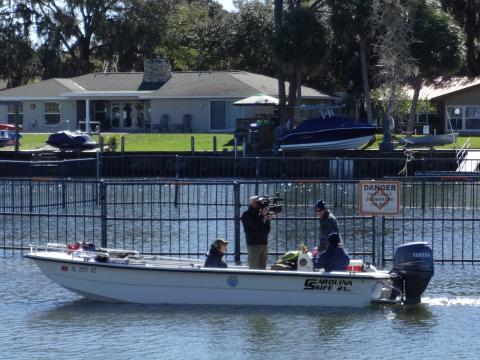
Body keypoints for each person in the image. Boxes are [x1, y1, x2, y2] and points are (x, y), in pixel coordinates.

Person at [241, 195, 272, 269]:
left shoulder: (261, 214)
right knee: (254, 269)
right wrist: (262, 215)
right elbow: (254, 227)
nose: (259, 204)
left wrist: (268, 220)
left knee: (263, 270)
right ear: (251, 203)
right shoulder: (246, 215)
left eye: (259, 203)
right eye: (257, 202)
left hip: (263, 245)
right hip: (254, 246)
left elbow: (267, 230)